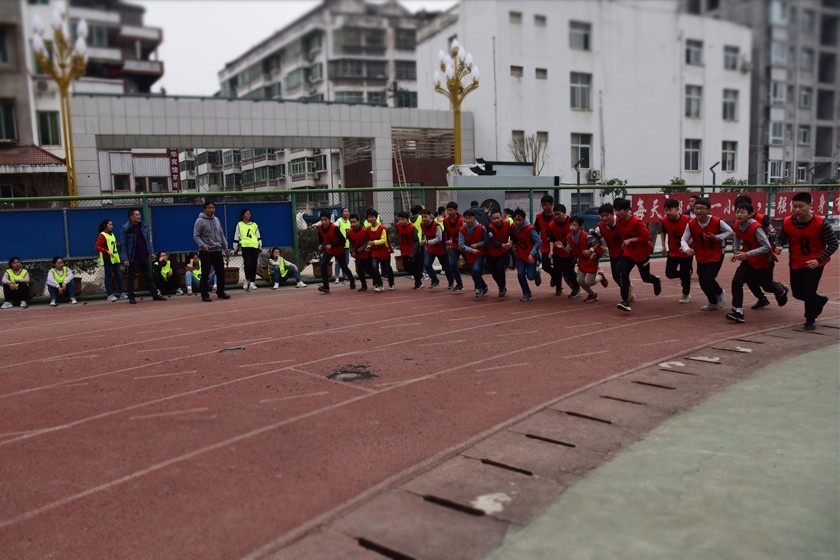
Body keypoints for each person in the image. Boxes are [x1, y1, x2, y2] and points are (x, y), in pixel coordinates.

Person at [775, 191, 838, 330]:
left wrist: (818, 259)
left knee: (809, 291)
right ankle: (820, 300)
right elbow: (781, 236)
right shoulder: (787, 222)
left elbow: (833, 244)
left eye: (801, 206)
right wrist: (779, 245)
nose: (797, 210)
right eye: (794, 206)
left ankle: (810, 319)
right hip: (796, 261)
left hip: (815, 263)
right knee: (798, 293)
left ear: (810, 205)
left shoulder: (821, 223)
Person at [725, 203, 789, 324]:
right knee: (737, 281)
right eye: (737, 212)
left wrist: (747, 254)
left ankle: (782, 290)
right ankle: (738, 311)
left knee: (767, 286)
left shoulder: (756, 227)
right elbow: (737, 238)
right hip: (748, 261)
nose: (739, 214)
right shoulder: (736, 225)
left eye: (742, 212)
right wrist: (737, 251)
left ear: (750, 214)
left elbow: (767, 247)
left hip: (764, 260)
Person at [680, 197, 733, 311]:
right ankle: (712, 302)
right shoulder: (691, 224)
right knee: (702, 282)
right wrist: (686, 248)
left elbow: (730, 232)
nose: (698, 211)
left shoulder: (717, 221)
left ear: (708, 210)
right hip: (701, 255)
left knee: (708, 279)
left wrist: (716, 237)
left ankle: (719, 292)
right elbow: (684, 239)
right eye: (696, 208)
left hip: (716, 254)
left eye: (701, 208)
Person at [614, 198, 661, 312]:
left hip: (641, 254)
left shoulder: (637, 222)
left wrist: (631, 240)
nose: (617, 212)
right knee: (622, 273)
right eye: (615, 209)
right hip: (629, 253)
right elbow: (623, 233)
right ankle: (625, 300)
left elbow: (646, 237)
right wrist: (624, 242)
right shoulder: (619, 221)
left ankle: (655, 281)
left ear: (626, 210)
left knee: (645, 277)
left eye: (619, 210)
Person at [121, 208, 166, 305]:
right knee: (131, 277)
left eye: (139, 215)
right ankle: (131, 297)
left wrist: (151, 252)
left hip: (144, 255)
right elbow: (123, 245)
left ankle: (155, 295)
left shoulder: (143, 225)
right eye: (137, 215)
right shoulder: (126, 228)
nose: (139, 216)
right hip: (133, 257)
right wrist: (125, 259)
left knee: (148, 276)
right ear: (131, 216)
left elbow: (147, 241)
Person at [592, 202, 632, 301]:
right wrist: (593, 250)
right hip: (613, 253)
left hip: (625, 252)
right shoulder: (600, 228)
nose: (604, 218)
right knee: (615, 276)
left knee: (621, 272)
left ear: (612, 214)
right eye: (602, 216)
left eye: (607, 215)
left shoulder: (621, 221)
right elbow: (595, 241)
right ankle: (628, 288)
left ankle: (625, 298)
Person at [193, 201, 231, 302]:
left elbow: (221, 234)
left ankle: (220, 291)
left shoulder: (217, 220)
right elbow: (196, 236)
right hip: (206, 252)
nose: (212, 210)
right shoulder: (199, 221)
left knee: (220, 272)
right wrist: (203, 246)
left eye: (213, 208)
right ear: (204, 209)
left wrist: (226, 246)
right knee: (205, 274)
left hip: (217, 250)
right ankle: (205, 294)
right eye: (209, 208)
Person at [566, 217, 608, 303]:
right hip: (582, 259)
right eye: (570, 225)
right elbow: (569, 250)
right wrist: (562, 247)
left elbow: (598, 243)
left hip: (593, 257)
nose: (572, 227)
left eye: (574, 225)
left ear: (580, 226)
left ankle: (600, 277)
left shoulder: (586, 236)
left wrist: (590, 250)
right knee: (579, 280)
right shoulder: (569, 237)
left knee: (589, 282)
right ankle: (592, 294)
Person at [659, 198, 693, 304]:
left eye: (670, 210)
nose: (668, 213)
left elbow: (694, 233)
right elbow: (663, 231)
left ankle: (686, 294)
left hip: (686, 252)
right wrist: (663, 245)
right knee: (669, 273)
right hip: (673, 250)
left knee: (685, 274)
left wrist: (687, 245)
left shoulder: (687, 219)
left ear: (677, 209)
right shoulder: (664, 221)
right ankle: (685, 275)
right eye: (666, 211)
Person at [316, 209, 355, 293]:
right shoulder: (319, 228)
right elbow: (320, 237)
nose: (323, 222)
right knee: (323, 264)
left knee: (343, 266)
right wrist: (320, 244)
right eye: (322, 220)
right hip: (329, 250)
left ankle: (352, 280)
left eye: (325, 220)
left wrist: (332, 245)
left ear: (329, 220)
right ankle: (326, 286)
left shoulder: (334, 228)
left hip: (338, 250)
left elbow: (343, 240)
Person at [547, 204, 580, 297]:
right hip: (559, 251)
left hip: (571, 251)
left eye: (558, 214)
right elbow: (552, 239)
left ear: (564, 213)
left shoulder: (572, 221)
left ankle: (576, 286)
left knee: (568, 270)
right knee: (558, 270)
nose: (557, 216)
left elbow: (580, 233)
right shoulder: (552, 225)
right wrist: (551, 251)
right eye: (555, 214)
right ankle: (563, 286)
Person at [510, 208, 542, 301]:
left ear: (524, 219)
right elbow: (514, 237)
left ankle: (536, 274)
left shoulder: (530, 229)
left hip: (530, 255)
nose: (517, 222)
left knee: (530, 276)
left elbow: (538, 241)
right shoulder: (513, 227)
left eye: (520, 220)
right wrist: (512, 244)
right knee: (520, 274)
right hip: (520, 254)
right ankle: (526, 293)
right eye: (516, 219)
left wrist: (532, 253)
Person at [347, 214, 381, 292]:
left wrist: (357, 251)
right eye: (351, 222)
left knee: (369, 270)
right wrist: (351, 251)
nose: (353, 224)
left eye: (355, 222)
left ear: (359, 222)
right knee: (359, 270)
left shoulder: (364, 231)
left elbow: (366, 243)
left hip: (366, 254)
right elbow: (351, 243)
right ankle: (364, 286)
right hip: (358, 255)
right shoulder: (350, 232)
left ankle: (377, 282)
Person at [95, 218, 127, 302]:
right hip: (107, 259)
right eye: (110, 224)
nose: (112, 226)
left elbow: (113, 244)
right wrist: (107, 251)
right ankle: (109, 294)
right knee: (108, 277)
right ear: (105, 226)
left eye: (112, 224)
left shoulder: (112, 234)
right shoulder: (102, 235)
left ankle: (122, 293)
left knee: (118, 276)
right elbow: (97, 246)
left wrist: (119, 244)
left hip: (115, 258)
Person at [458, 209, 489, 297]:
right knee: (474, 273)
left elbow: (486, 241)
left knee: (476, 269)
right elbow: (461, 245)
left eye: (470, 218)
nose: (467, 220)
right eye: (466, 218)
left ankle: (478, 288)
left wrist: (478, 244)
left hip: (480, 253)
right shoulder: (462, 230)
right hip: (469, 254)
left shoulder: (481, 228)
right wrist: (471, 250)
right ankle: (484, 286)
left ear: (474, 218)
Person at [420, 208, 452, 289]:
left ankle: (451, 282)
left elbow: (439, 239)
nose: (424, 219)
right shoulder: (422, 225)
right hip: (430, 248)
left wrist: (427, 242)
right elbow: (425, 234)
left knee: (446, 266)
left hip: (440, 248)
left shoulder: (436, 225)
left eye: (425, 217)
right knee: (427, 264)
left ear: (430, 216)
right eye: (422, 217)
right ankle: (434, 280)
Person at [233, 208, 262, 291]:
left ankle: (253, 282)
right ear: (243, 215)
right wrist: (235, 248)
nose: (249, 215)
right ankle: (247, 279)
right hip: (245, 246)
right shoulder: (239, 225)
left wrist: (260, 246)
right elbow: (236, 236)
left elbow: (258, 236)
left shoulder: (254, 225)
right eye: (247, 213)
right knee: (248, 264)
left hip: (254, 246)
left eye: (249, 213)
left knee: (254, 264)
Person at [486, 209, 513, 297]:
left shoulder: (507, 224)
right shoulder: (490, 227)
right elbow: (493, 241)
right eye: (494, 219)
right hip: (492, 252)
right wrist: (503, 245)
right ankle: (501, 285)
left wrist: (511, 243)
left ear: (502, 217)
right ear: (491, 219)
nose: (496, 220)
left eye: (498, 218)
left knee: (500, 269)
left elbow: (513, 235)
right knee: (494, 273)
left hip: (503, 252)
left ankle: (502, 287)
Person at [366, 209, 394, 291]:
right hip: (375, 251)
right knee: (374, 267)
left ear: (376, 217)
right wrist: (368, 246)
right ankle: (380, 284)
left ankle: (391, 283)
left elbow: (383, 240)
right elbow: (370, 240)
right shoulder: (368, 229)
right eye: (369, 217)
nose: (370, 219)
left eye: (372, 217)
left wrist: (373, 242)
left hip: (384, 251)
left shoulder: (382, 228)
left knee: (387, 268)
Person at [395, 211, 423, 289]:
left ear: (407, 220)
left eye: (402, 219)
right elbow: (399, 234)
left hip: (413, 251)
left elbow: (416, 242)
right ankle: (419, 275)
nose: (400, 221)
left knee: (413, 267)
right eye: (399, 219)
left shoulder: (412, 228)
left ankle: (418, 282)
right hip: (404, 250)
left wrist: (412, 253)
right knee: (407, 268)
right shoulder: (397, 226)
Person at [533, 195, 555, 290]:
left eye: (546, 205)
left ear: (551, 204)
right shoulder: (539, 217)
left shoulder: (556, 216)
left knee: (558, 266)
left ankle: (558, 285)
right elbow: (535, 230)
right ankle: (555, 276)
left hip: (557, 245)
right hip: (545, 245)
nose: (544, 207)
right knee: (545, 265)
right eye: (543, 205)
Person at [442, 201, 464, 292]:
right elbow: (446, 232)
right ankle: (459, 284)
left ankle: (479, 285)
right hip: (454, 246)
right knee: (452, 263)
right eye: (447, 210)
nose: (449, 212)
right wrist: (448, 243)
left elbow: (465, 235)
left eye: (451, 210)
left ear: (456, 210)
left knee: (471, 267)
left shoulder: (462, 221)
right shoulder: (446, 221)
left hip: (463, 245)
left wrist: (454, 240)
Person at [334, 207, 352, 283]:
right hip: (339, 245)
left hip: (347, 245)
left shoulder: (349, 222)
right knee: (338, 262)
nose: (347, 213)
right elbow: (333, 229)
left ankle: (345, 275)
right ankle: (337, 277)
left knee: (346, 261)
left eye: (348, 211)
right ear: (342, 213)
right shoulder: (338, 222)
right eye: (345, 211)